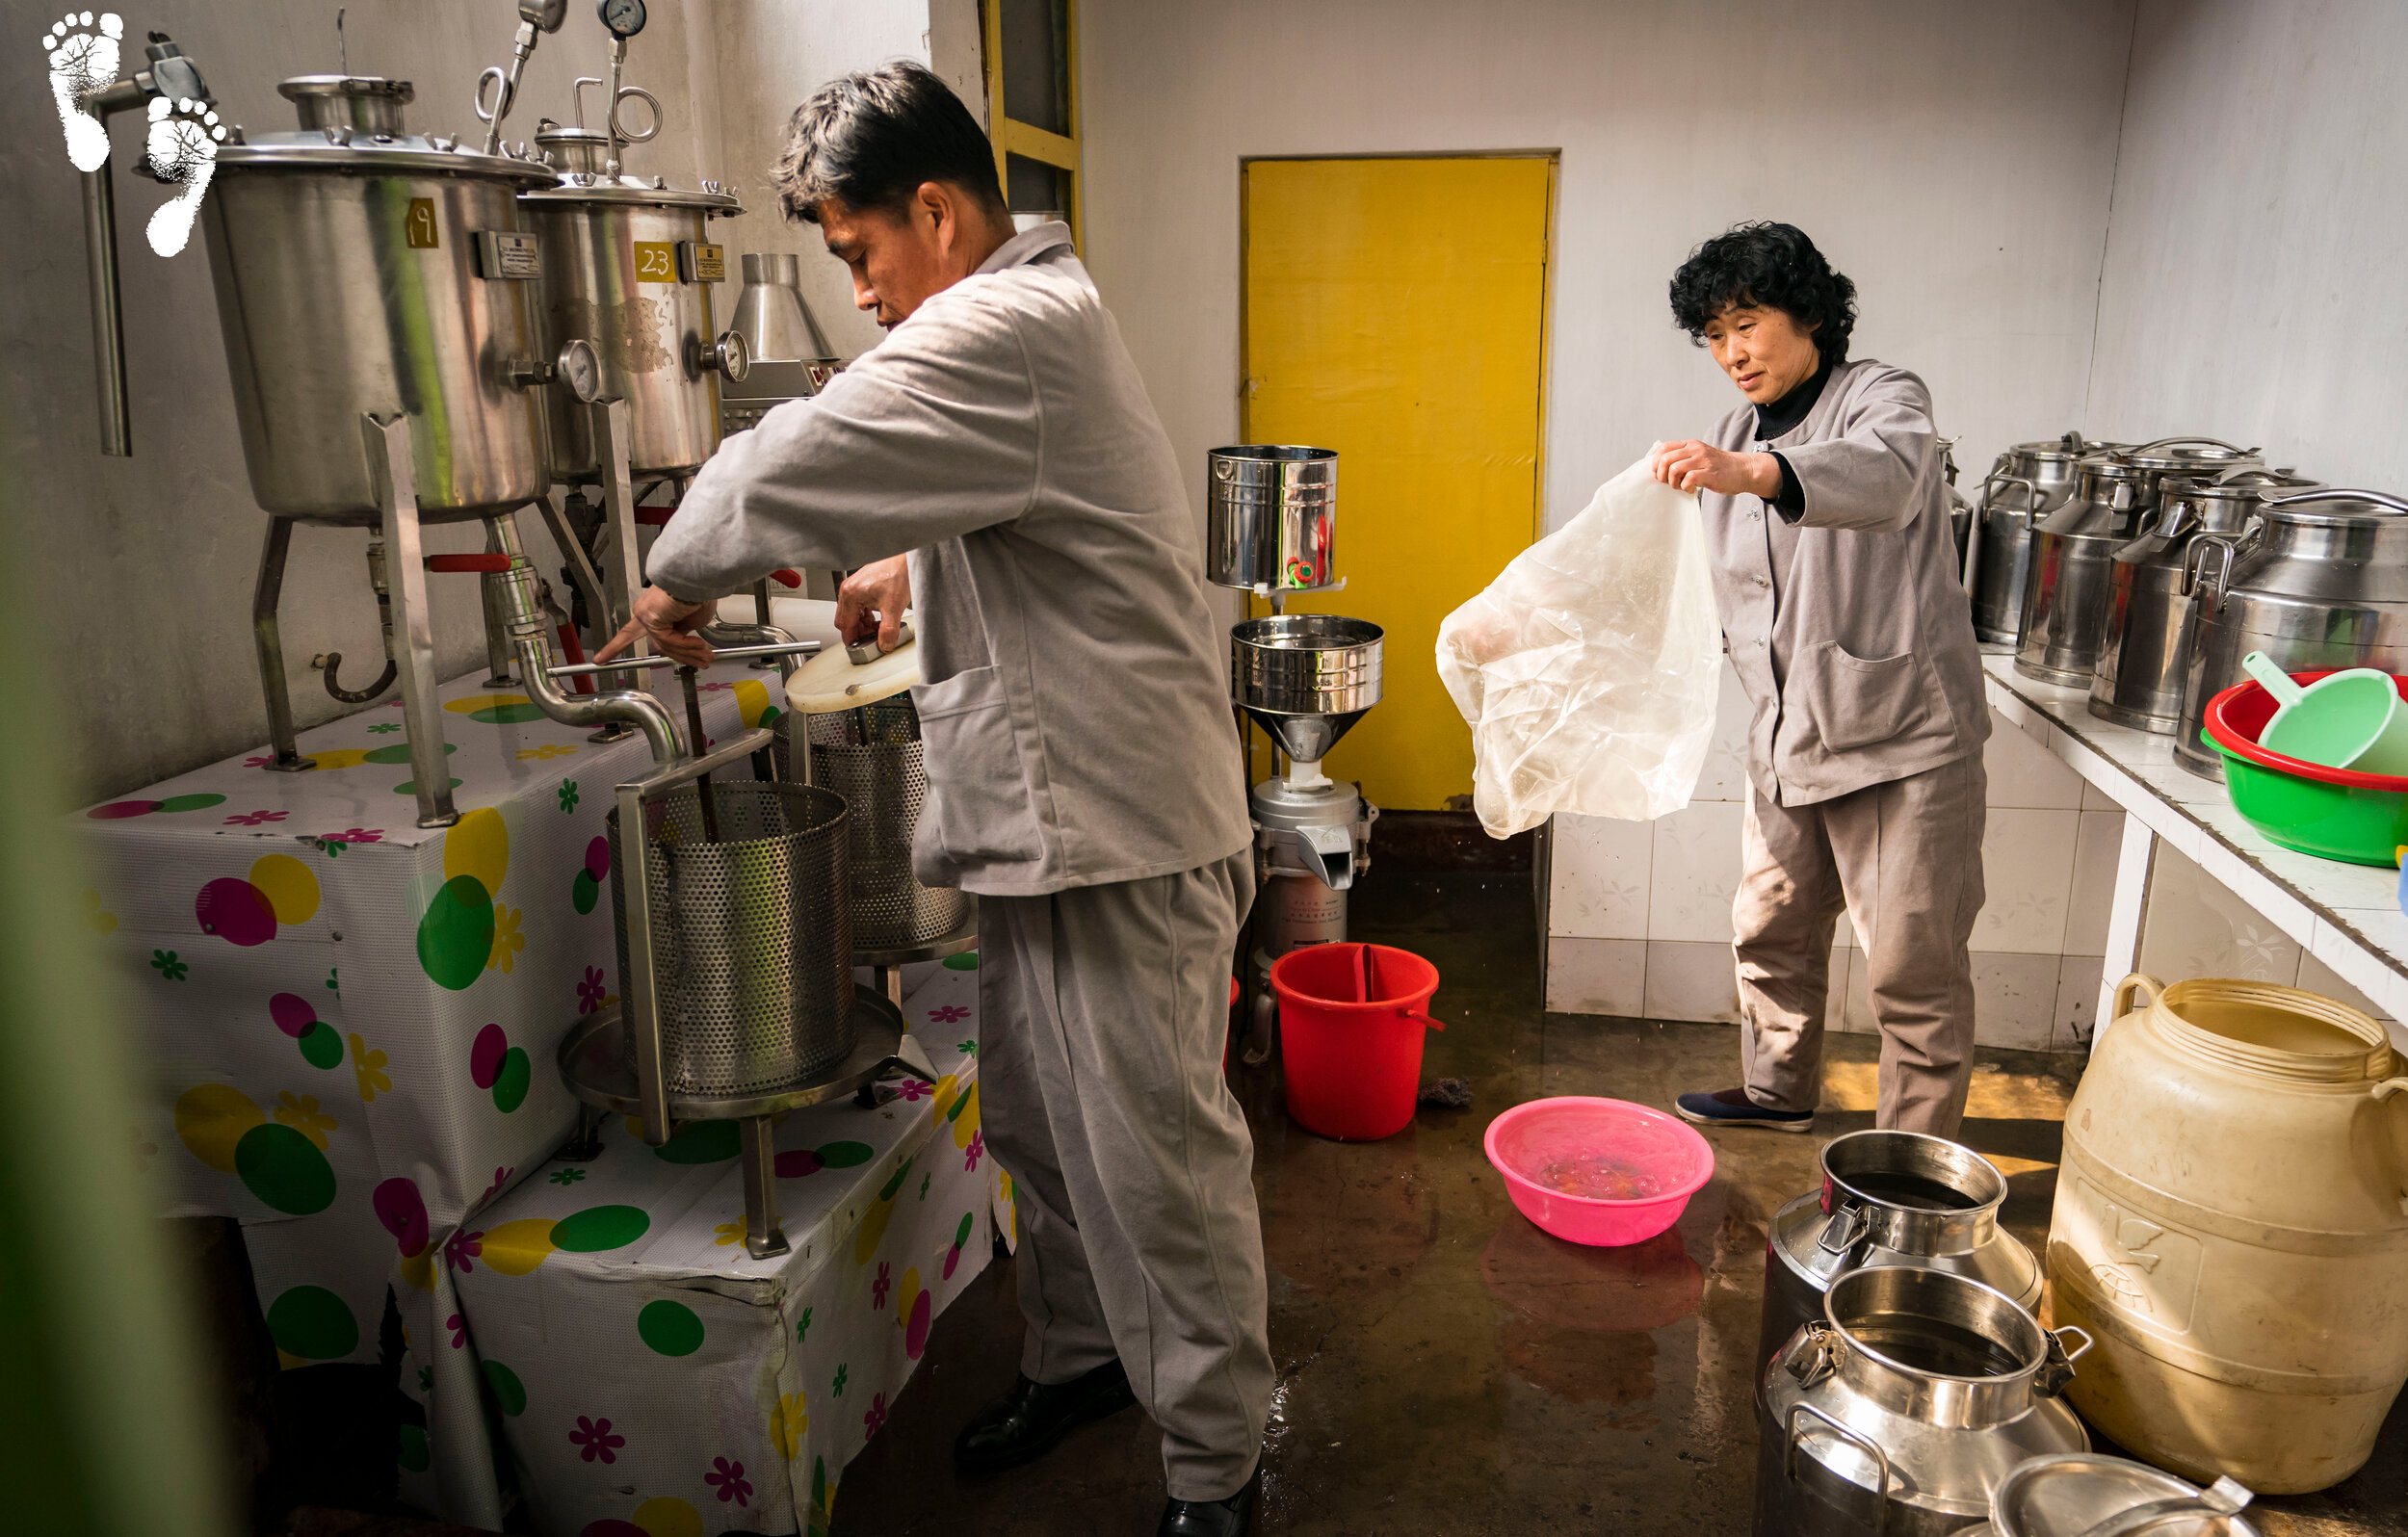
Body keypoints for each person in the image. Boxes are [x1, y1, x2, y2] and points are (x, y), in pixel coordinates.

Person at [593, 62, 1269, 1537]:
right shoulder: (1031, 322)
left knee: (1160, 1163)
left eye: (860, 256)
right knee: (1037, 1122)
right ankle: (1086, 1357)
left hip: (1123, 833)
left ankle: (1218, 1469)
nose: (862, 295)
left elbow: (784, 460)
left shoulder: (1003, 320)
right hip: (1056, 821)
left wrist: (671, 572)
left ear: (942, 211)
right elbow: (1039, 498)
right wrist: (912, 561)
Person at [1649, 221, 1990, 1138]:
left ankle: (1911, 1167)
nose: (1730, 353)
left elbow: (1891, 477)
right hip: (1786, 735)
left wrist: (1758, 472)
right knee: (1772, 930)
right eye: (1713, 335)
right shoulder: (1727, 432)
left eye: (1746, 323)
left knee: (1911, 971)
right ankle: (1777, 1093)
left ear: (1806, 315)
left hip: (1899, 738)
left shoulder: (1880, 397)